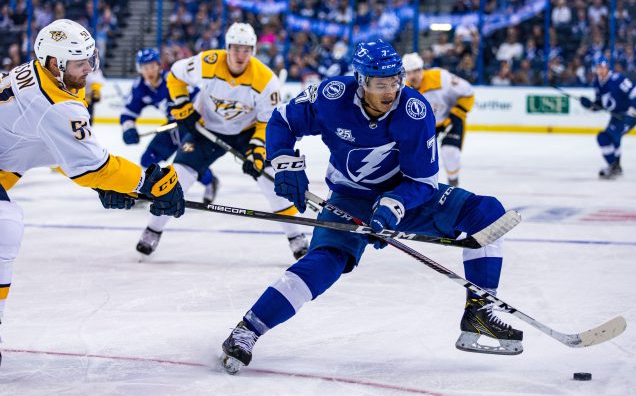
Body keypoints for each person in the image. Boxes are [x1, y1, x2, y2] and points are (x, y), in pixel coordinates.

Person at [220, 39, 522, 374]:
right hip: (352, 197)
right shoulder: (331, 96)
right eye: (382, 84)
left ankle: (480, 312)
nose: (391, 90)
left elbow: (422, 182)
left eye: (396, 80)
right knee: (324, 264)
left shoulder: (414, 110)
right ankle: (249, 328)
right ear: (362, 82)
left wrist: (393, 205)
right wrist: (286, 162)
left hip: (407, 197)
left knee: (488, 214)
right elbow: (282, 121)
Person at [0, 19, 185, 366]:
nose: (89, 68)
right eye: (79, 62)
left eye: (90, 58)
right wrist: (148, 183)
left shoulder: (46, 78)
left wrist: (102, 183)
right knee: (5, 225)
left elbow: (56, 148)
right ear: (54, 64)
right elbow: (93, 165)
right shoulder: (56, 102)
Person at [136, 23, 310, 260]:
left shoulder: (266, 80)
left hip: (247, 134)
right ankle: (153, 229)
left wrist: (257, 150)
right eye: (236, 48)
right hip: (205, 128)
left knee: (271, 180)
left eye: (246, 49)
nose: (240, 55)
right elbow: (176, 76)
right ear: (227, 48)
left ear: (254, 50)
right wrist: (183, 105)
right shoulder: (207, 62)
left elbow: (267, 122)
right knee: (177, 177)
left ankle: (295, 235)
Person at [120, 48, 219, 205]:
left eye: (152, 66)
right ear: (140, 69)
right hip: (172, 127)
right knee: (148, 159)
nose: (149, 71)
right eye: (145, 67)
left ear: (159, 66)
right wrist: (128, 128)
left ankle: (210, 182)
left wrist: (192, 117)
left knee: (190, 163)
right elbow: (128, 112)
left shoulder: (172, 79)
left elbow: (199, 96)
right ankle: (147, 190)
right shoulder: (140, 87)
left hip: (192, 126)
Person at [402, 52, 475, 186]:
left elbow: (468, 92)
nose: (414, 76)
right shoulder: (403, 88)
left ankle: (453, 185)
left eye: (417, 71)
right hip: (427, 125)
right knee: (416, 157)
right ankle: (421, 187)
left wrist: (457, 113)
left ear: (422, 69)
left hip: (450, 119)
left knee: (450, 152)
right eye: (409, 72)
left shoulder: (440, 77)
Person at [580, 57, 636, 179]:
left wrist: (635, 111)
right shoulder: (597, 83)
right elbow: (602, 105)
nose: (601, 70)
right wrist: (590, 105)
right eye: (598, 67)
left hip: (627, 116)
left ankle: (614, 167)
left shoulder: (617, 79)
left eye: (602, 67)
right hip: (615, 117)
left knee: (608, 136)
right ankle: (615, 167)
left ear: (607, 67)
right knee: (608, 138)